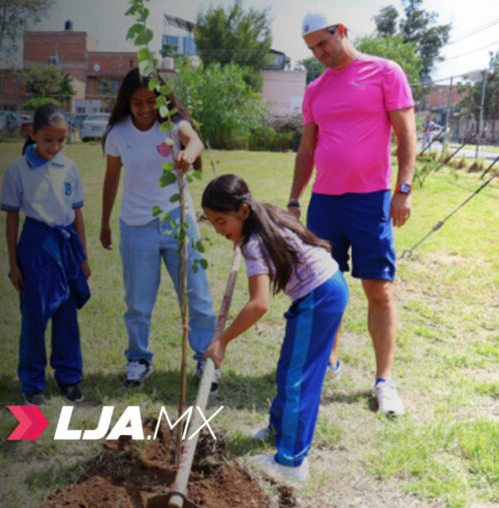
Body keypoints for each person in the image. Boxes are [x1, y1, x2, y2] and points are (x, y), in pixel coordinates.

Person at [288, 13, 416, 415]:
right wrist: (294, 199)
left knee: (378, 289)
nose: (318, 54)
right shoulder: (316, 89)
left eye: (323, 44)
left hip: (370, 199)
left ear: (341, 31)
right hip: (324, 201)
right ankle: (329, 362)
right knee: (326, 286)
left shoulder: (384, 72)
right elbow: (308, 149)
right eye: (311, 49)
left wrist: (403, 190)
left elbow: (406, 135)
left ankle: (384, 382)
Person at [202, 174, 348, 485]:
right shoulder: (263, 216)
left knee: (298, 380)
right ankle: (280, 430)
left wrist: (222, 341)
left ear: (243, 212)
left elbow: (259, 304)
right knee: (288, 370)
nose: (218, 230)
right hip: (324, 288)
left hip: (319, 296)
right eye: (212, 223)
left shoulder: (255, 242)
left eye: (221, 221)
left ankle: (291, 462)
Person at [101, 68, 218, 391]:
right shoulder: (118, 135)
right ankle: (139, 358)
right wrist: (105, 222)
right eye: (136, 102)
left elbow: (194, 140)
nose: (143, 108)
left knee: (197, 296)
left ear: (161, 100)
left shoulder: (172, 126)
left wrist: (187, 154)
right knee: (138, 301)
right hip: (136, 225)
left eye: (151, 101)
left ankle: (204, 360)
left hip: (178, 222)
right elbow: (112, 178)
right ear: (126, 102)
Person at [0, 103, 91, 407]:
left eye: (61, 140)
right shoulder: (16, 169)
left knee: (66, 315)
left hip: (66, 245)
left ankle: (68, 376)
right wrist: (14, 264)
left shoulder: (70, 168)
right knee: (35, 315)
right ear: (33, 134)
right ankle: (32, 382)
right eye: (48, 139)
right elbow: (12, 218)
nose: (55, 146)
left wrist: (83, 257)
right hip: (36, 244)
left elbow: (77, 215)